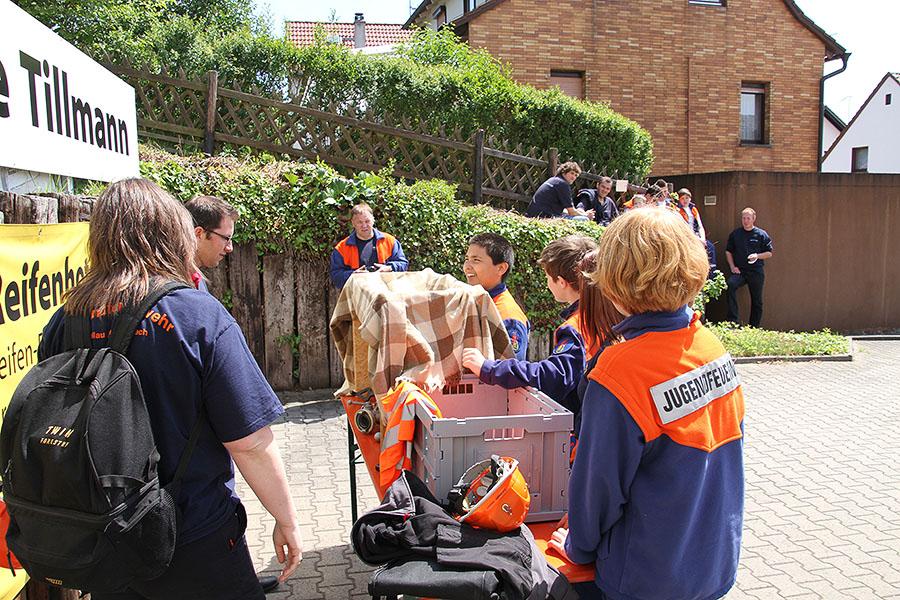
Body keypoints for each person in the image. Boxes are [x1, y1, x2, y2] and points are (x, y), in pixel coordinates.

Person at [38, 179, 302, 600]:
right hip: (192, 533)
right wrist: (285, 517)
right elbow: (249, 442)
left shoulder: (63, 320)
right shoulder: (195, 315)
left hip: (105, 538)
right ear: (171, 233)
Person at [549, 208, 745, 600]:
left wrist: (578, 545)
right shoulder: (710, 347)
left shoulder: (620, 370)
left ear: (616, 282)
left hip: (643, 576)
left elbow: (597, 488)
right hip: (711, 563)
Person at [184, 195, 279, 593]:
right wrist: (286, 518)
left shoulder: (192, 281)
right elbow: (251, 443)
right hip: (194, 504)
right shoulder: (187, 300)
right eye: (224, 238)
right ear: (197, 233)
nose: (230, 247)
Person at [461, 235, 599, 426]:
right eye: (467, 259)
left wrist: (488, 368)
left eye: (547, 277)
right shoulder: (598, 314)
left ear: (560, 281)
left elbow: (554, 375)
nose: (468, 266)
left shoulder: (509, 313)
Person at [463, 233, 530, 361]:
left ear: (501, 268)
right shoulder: (475, 301)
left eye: (476, 260)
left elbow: (511, 370)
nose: (467, 267)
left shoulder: (508, 316)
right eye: (467, 259)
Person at [330, 203, 409, 289]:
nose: (364, 226)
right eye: (359, 222)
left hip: (387, 294)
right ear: (353, 223)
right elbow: (336, 276)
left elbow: (403, 264)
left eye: (367, 221)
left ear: (373, 220)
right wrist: (353, 275)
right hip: (356, 295)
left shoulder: (390, 241)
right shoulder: (342, 248)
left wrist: (389, 268)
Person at [725, 207, 773, 327]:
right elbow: (728, 251)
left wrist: (757, 256)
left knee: (757, 300)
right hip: (740, 271)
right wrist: (732, 267)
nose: (745, 221)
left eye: (748, 218)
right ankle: (732, 321)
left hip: (756, 271)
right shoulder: (736, 234)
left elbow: (769, 253)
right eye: (744, 218)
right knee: (730, 285)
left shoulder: (761, 234)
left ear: (753, 219)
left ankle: (753, 327)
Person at [184, 195, 238, 291]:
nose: (230, 248)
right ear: (199, 234)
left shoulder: (197, 280)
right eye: (226, 238)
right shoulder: (168, 286)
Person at [525, 162, 594, 220]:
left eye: (576, 175)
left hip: (534, 214)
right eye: (572, 173)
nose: (573, 177)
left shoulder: (554, 180)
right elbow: (571, 212)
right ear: (564, 172)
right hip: (544, 217)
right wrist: (586, 215)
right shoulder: (563, 184)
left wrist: (581, 213)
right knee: (584, 220)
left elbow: (566, 209)